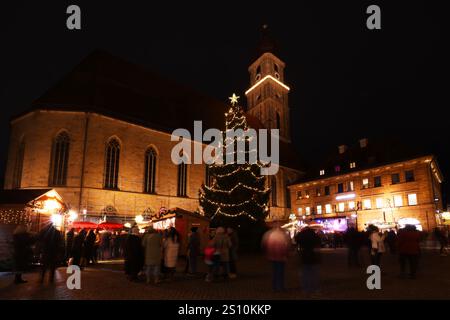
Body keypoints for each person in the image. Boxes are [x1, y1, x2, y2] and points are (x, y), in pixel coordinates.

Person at [261, 227, 291, 292]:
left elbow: (264, 244)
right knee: (280, 272)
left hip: (272, 255)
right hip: (281, 255)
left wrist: (266, 253)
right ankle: (280, 286)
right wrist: (287, 254)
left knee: (274, 271)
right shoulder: (284, 234)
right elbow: (288, 245)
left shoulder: (268, 234)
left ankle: (274, 287)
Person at [296, 227, 321, 295]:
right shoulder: (314, 236)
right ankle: (315, 289)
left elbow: (296, 240)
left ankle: (305, 289)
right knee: (314, 274)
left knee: (305, 274)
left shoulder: (302, 237)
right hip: (313, 256)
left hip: (304, 255)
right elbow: (318, 244)